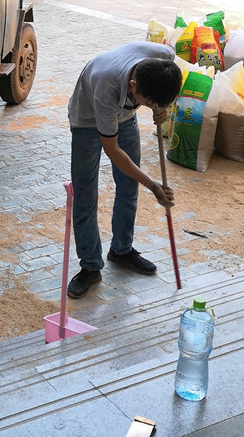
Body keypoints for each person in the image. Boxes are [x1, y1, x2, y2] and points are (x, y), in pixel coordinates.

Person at [66, 42, 183, 298]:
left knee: (129, 186)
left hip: (125, 118)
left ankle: (121, 249)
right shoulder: (107, 89)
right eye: (148, 102)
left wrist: (161, 106)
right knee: (85, 194)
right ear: (133, 86)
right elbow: (113, 150)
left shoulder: (163, 57)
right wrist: (153, 186)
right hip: (87, 120)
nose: (151, 106)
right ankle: (90, 265)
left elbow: (166, 82)